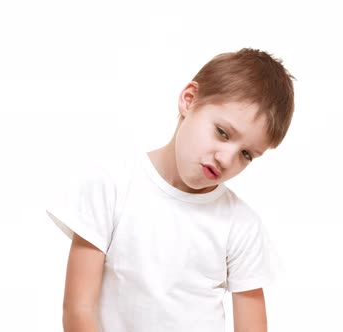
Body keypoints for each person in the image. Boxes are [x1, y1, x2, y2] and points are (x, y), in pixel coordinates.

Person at [46, 48, 295, 332]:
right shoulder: (112, 187)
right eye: (223, 133)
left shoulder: (241, 225)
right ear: (189, 99)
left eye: (247, 154)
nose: (227, 159)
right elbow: (78, 310)